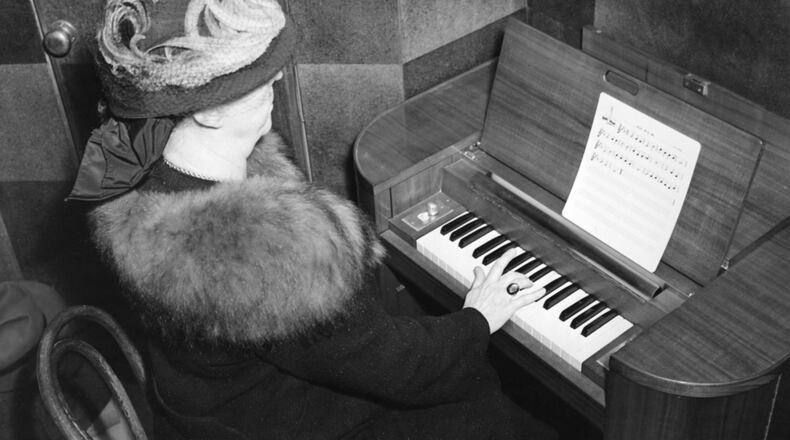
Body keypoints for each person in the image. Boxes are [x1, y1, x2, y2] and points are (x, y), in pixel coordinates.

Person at [67, 0, 557, 438]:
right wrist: (478, 319)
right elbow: (399, 367)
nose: (278, 79)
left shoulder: (134, 176)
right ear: (210, 114)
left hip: (207, 404)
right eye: (260, 79)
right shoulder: (262, 248)